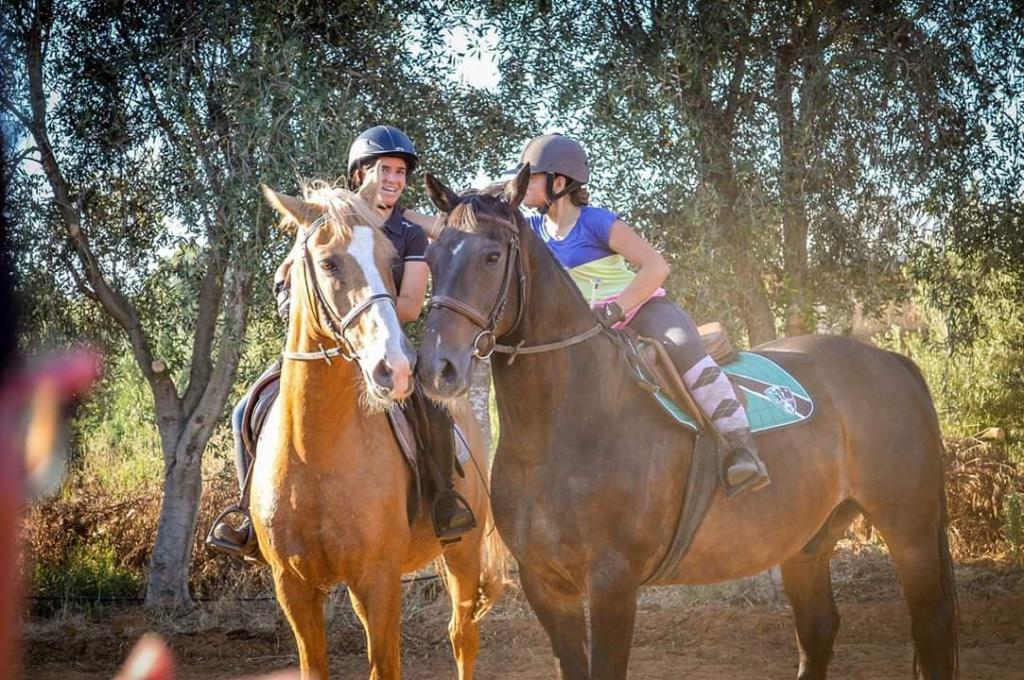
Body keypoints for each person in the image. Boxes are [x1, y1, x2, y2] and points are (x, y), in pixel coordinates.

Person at [209, 126, 476, 558]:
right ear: (361, 176)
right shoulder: (322, 221)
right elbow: (285, 276)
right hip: (322, 345)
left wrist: (373, 310)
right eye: (384, 169)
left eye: (401, 172)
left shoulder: (407, 232)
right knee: (246, 409)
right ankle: (249, 517)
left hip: (382, 343)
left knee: (430, 406)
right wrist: (291, 302)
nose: (393, 179)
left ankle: (444, 500)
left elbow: (409, 305)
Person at [514, 133, 770, 496]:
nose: (522, 186)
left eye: (531, 177)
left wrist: (617, 308)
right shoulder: (535, 231)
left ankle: (742, 449)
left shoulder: (598, 222)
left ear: (558, 182)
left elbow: (656, 266)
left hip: (642, 312)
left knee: (684, 349)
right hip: (588, 328)